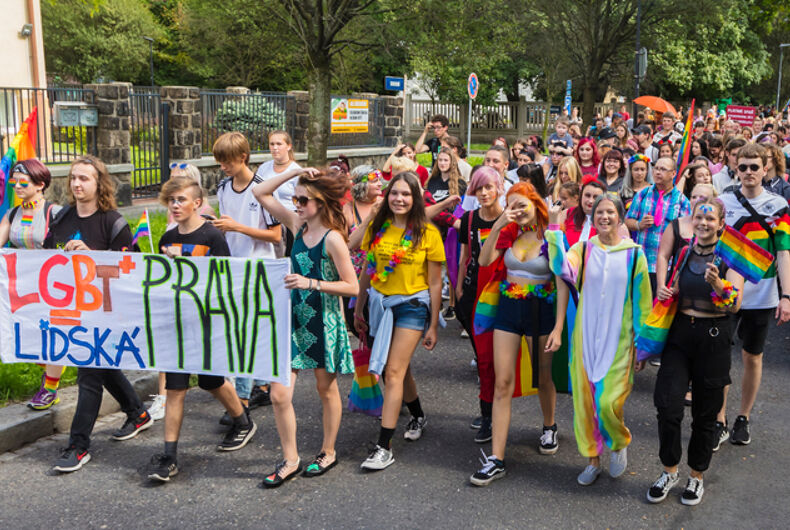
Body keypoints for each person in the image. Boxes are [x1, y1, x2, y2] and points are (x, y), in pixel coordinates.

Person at [144, 176, 257, 483]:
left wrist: (191, 266)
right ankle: (169, 456)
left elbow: (226, 281)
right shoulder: (166, 238)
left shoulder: (212, 236)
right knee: (175, 389)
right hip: (177, 324)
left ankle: (243, 421)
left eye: (181, 200)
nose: (175, 205)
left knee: (211, 381)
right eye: (171, 200)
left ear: (196, 203)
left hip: (207, 324)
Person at [253, 165, 359, 487]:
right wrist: (295, 172)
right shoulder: (297, 225)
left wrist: (311, 282)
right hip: (294, 319)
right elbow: (260, 193)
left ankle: (328, 451)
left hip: (323, 320)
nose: (297, 204)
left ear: (322, 204)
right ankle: (291, 459)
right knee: (278, 395)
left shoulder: (333, 240)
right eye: (296, 198)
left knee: (326, 389)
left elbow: (352, 286)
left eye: (304, 199)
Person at [49, 156, 152, 473]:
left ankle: (78, 446)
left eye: (85, 179)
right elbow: (47, 261)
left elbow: (128, 270)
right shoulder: (62, 219)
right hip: (75, 307)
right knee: (103, 367)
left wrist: (91, 256)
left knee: (88, 374)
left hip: (108, 310)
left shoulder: (114, 223)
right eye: (73, 178)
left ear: (99, 184)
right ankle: (137, 412)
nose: (77, 184)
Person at [546, 194, 652, 486]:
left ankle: (618, 442)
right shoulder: (583, 249)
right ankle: (592, 459)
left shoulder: (635, 255)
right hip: (585, 336)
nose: (604, 217)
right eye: (599, 213)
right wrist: (554, 228)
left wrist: (643, 346)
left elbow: (643, 303)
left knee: (607, 402)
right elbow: (562, 269)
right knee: (585, 403)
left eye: (610, 212)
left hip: (620, 341)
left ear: (619, 216)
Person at [645, 198, 744, 506]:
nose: (703, 222)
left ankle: (696, 475)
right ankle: (669, 469)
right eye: (699, 216)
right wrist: (666, 290)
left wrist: (717, 283)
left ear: (721, 223)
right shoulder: (685, 251)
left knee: (705, 412)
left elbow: (734, 303)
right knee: (668, 405)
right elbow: (674, 288)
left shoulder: (730, 258)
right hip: (680, 335)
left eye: (710, 218)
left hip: (713, 338)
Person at [469, 182, 569, 486]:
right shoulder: (508, 232)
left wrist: (559, 327)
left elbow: (562, 278)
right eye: (511, 205)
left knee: (543, 376)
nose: (517, 210)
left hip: (543, 309)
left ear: (534, 204)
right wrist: (500, 222)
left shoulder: (550, 232)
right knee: (503, 382)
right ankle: (497, 458)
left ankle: (549, 425)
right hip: (509, 308)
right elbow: (484, 261)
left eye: (521, 205)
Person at [353, 172, 444, 471]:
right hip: (380, 305)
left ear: (415, 198)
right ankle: (417, 413)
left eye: (406, 194)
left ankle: (384, 447)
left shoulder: (427, 233)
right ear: (387, 196)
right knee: (399, 370)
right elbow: (368, 267)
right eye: (394, 193)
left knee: (392, 371)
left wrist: (432, 325)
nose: (399, 199)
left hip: (412, 307)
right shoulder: (379, 228)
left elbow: (434, 283)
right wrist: (359, 308)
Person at [715, 143, 790, 448]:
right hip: (725, 293)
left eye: (754, 167)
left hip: (762, 294)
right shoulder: (722, 202)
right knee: (718, 358)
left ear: (766, 168)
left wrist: (787, 296)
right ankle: (718, 419)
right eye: (742, 167)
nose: (748, 172)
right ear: (736, 168)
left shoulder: (778, 206)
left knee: (752, 357)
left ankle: (742, 417)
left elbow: (784, 252)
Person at [214, 132, 282, 422]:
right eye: (219, 161)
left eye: (226, 161)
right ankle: (258, 385)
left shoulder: (261, 189)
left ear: (242, 157)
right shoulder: (222, 187)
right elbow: (225, 225)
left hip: (258, 268)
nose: (222, 167)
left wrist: (238, 227)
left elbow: (276, 235)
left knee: (246, 332)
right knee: (238, 330)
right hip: (231, 267)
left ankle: (242, 398)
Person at [0, 159, 64, 411]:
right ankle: (55, 366)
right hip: (23, 287)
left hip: (52, 288)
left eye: (22, 181)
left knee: (51, 336)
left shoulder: (55, 213)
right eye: (14, 181)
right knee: (26, 336)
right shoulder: (12, 213)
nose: (16, 185)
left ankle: (50, 387)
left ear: (40, 184)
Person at [456, 167, 504, 442]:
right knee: (483, 359)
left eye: (489, 187)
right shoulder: (469, 218)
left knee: (502, 360)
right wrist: (459, 291)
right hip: (475, 294)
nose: (484, 193)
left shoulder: (510, 219)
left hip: (504, 293)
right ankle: (487, 413)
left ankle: (498, 410)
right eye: (479, 189)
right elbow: (465, 257)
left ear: (498, 188)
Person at [625, 157, 692, 293]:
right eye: (656, 168)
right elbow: (627, 221)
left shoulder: (682, 201)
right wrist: (638, 224)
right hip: (641, 263)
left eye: (663, 169)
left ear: (673, 174)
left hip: (666, 267)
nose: (657, 172)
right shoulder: (643, 194)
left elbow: (685, 234)